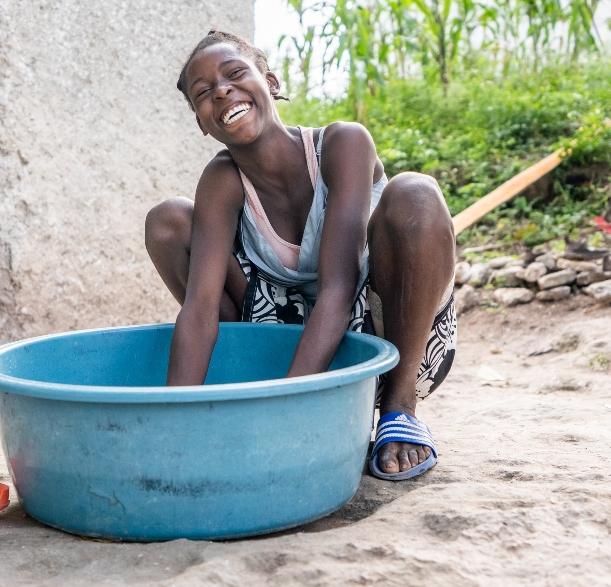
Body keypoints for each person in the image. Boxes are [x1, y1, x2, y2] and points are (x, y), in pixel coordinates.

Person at [144, 30, 458, 481]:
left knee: (416, 194)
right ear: (201, 121)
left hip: (386, 333)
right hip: (284, 337)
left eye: (234, 74)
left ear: (269, 83)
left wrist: (285, 414)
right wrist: (171, 425)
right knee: (168, 220)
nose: (222, 91)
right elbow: (200, 309)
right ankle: (246, 381)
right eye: (203, 93)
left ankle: (397, 411)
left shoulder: (341, 145)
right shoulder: (221, 181)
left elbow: (338, 288)